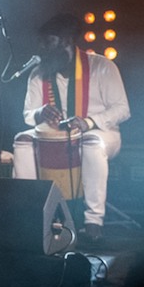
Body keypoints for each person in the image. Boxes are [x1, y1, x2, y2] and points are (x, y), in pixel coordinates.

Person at [12, 13, 129, 242]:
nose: (42, 48)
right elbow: (28, 114)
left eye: (48, 42)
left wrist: (88, 122)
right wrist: (40, 112)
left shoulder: (101, 67)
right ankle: (30, 215)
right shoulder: (39, 73)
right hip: (55, 138)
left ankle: (93, 221)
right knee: (22, 140)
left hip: (101, 133)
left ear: (66, 41)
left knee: (91, 143)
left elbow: (122, 109)